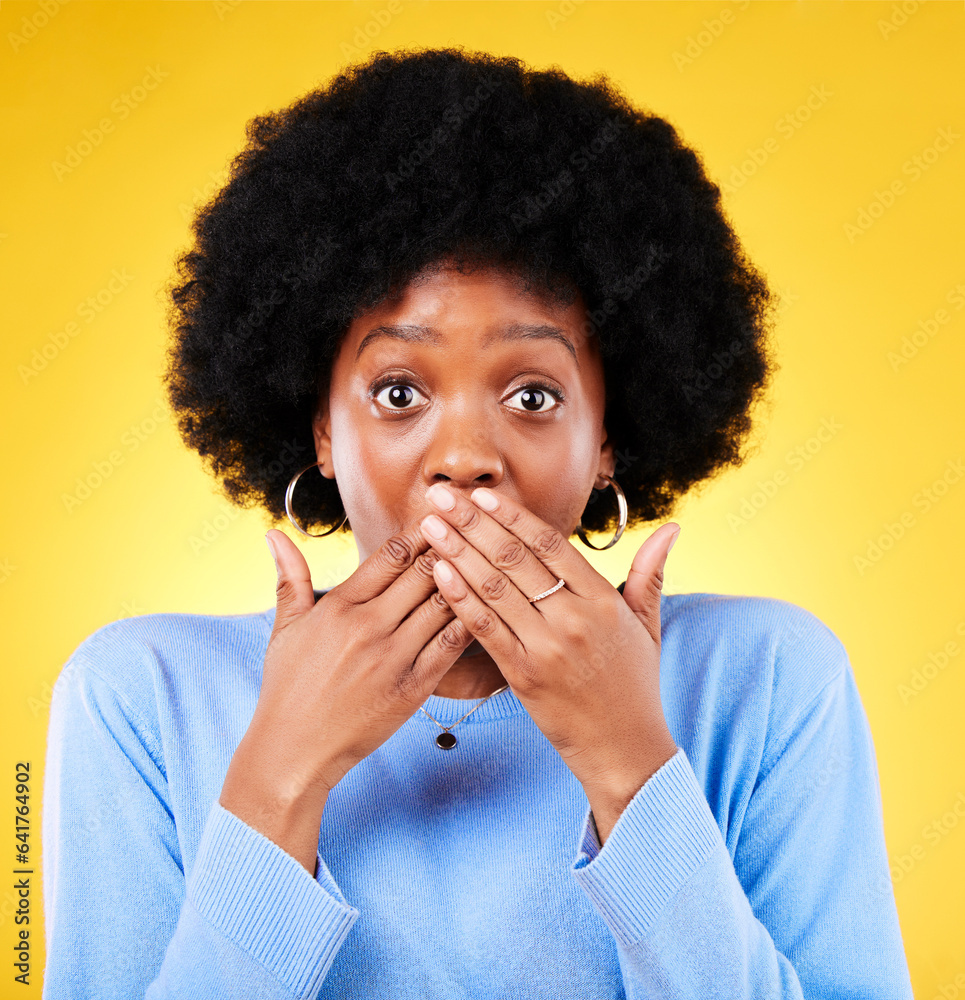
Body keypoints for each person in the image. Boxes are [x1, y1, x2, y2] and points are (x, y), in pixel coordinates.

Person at [41, 46, 914, 998]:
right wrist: (280, 776)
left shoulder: (769, 680)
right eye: (399, 390)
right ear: (321, 432)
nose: (464, 455)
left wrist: (629, 761)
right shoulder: (136, 697)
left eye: (533, 395)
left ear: (609, 441)